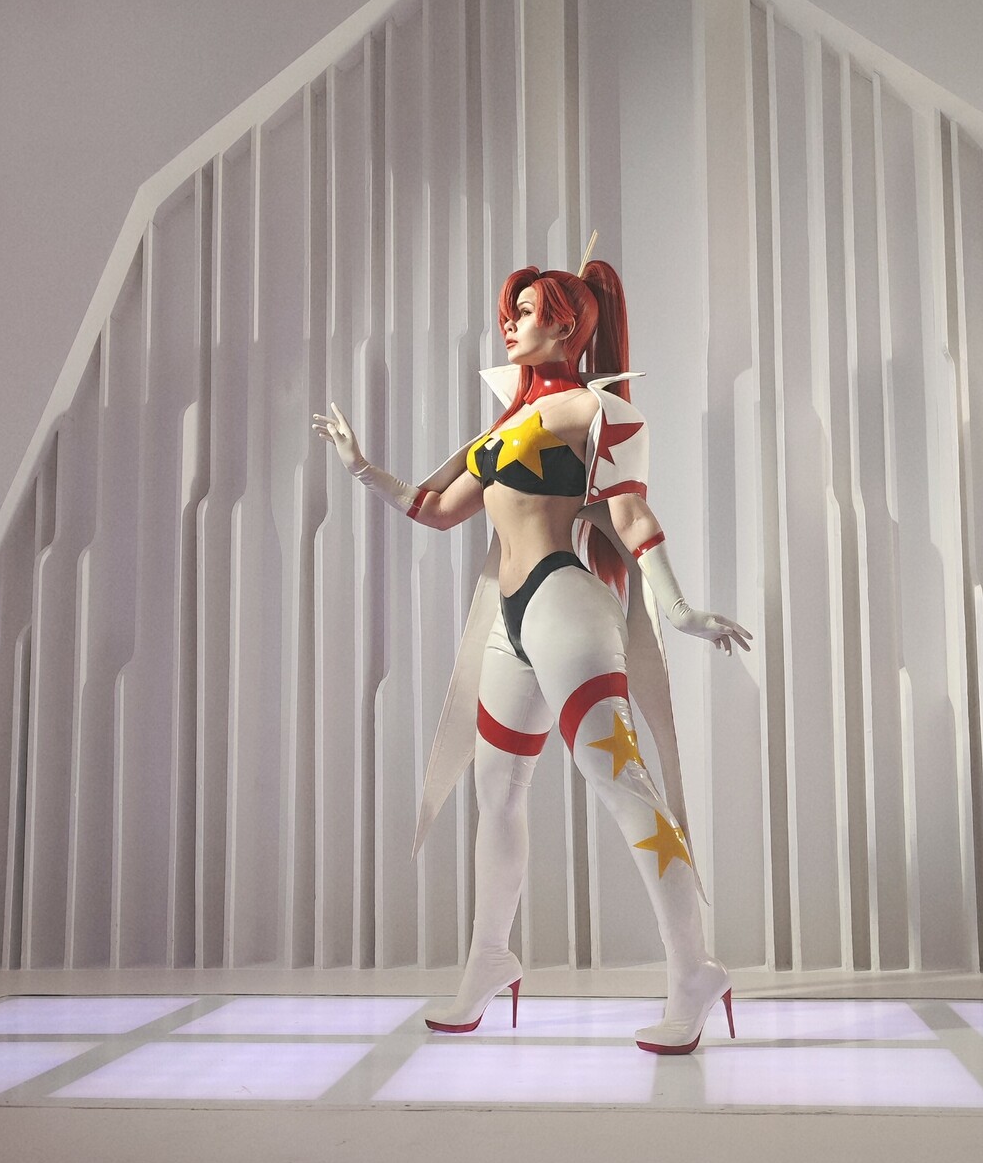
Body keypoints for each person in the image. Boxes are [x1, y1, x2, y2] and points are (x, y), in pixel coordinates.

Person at [312, 256, 751, 1054]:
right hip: (509, 622)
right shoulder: (506, 422)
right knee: (497, 792)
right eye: (509, 312)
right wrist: (360, 467)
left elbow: (630, 513)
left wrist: (679, 607)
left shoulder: (596, 408)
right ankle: (489, 959)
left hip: (563, 603)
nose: (510, 324)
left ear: (565, 324)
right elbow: (435, 509)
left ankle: (693, 970)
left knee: (621, 783)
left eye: (525, 311)